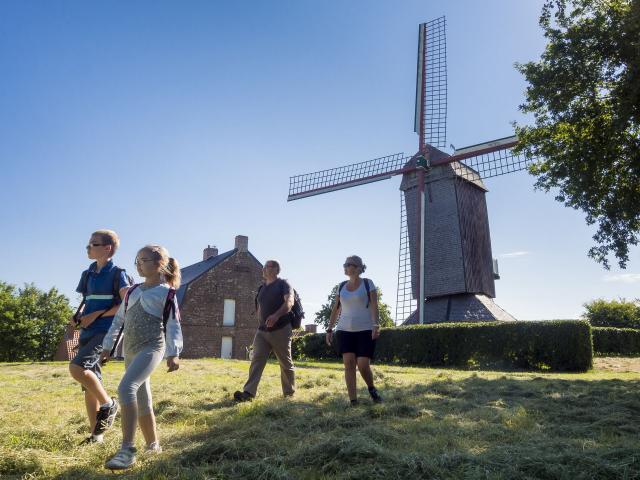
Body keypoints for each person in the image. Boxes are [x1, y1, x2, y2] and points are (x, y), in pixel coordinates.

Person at [100, 245, 183, 470]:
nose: (138, 264)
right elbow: (118, 322)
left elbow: (173, 325)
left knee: (126, 388)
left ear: (160, 265)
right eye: (137, 260)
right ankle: (153, 445)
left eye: (144, 260)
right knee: (143, 398)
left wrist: (173, 353)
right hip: (131, 350)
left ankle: (127, 450)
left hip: (152, 347)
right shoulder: (132, 291)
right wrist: (107, 347)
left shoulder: (167, 293)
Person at [69, 230, 130, 444]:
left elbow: (127, 303)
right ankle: (96, 436)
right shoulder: (88, 273)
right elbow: (87, 301)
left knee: (77, 368)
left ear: (107, 248)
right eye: (88, 244)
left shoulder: (118, 274)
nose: (88, 248)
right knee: (89, 386)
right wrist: (78, 317)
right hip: (87, 330)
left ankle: (109, 404)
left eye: (92, 244)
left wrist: (97, 314)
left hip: (105, 330)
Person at [233, 259, 295, 401]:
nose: (264, 268)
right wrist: (261, 323)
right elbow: (259, 308)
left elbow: (289, 302)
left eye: (267, 266)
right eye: (264, 266)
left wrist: (276, 315)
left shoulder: (284, 284)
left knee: (285, 362)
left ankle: (289, 394)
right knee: (257, 360)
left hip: (281, 329)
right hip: (262, 331)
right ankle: (248, 393)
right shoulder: (262, 288)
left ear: (276, 269)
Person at [326, 255, 383, 405]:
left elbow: (375, 306)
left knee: (363, 364)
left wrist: (376, 325)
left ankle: (371, 388)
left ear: (358, 267)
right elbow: (335, 309)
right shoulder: (341, 286)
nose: (345, 267)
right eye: (344, 264)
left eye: (348, 264)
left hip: (365, 329)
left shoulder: (367, 283)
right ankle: (353, 401)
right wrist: (329, 329)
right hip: (344, 330)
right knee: (349, 364)